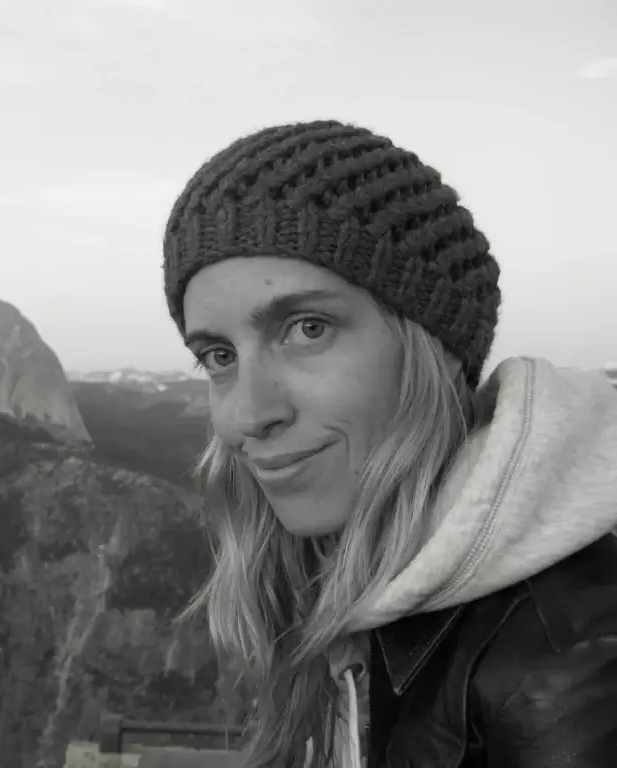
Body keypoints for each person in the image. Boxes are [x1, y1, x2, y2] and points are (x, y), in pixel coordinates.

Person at [164, 119, 617, 768]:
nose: (245, 415)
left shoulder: (570, 680)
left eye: (308, 327)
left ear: (430, 347)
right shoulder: (344, 581)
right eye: (217, 355)